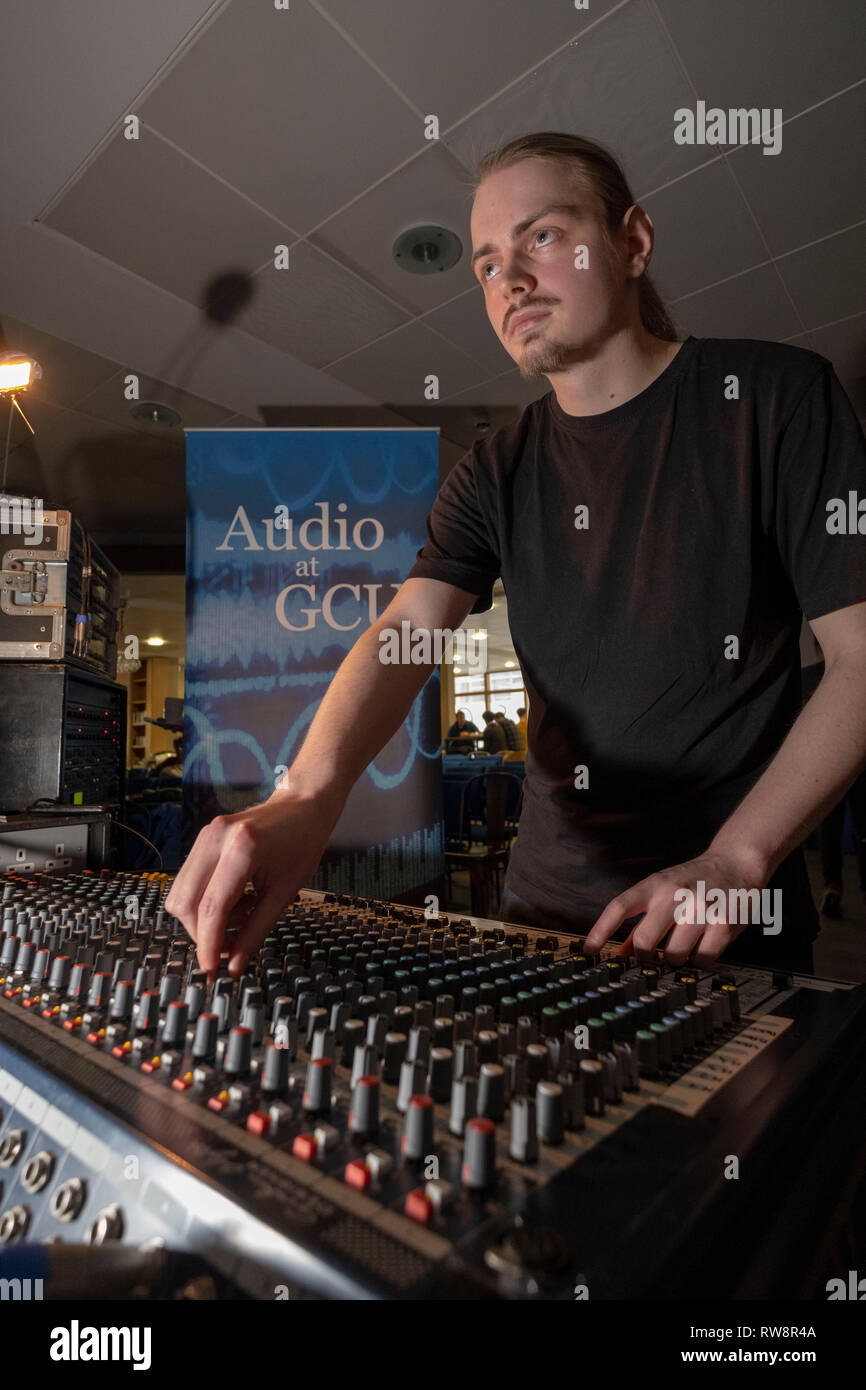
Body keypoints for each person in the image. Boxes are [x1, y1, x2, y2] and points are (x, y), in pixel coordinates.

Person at [166, 131, 866, 980]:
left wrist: (738, 862)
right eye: (489, 265)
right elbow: (406, 633)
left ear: (633, 242)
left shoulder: (776, 401)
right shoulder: (494, 470)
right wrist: (306, 796)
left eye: (542, 236)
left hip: (719, 924)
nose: (512, 281)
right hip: (542, 918)